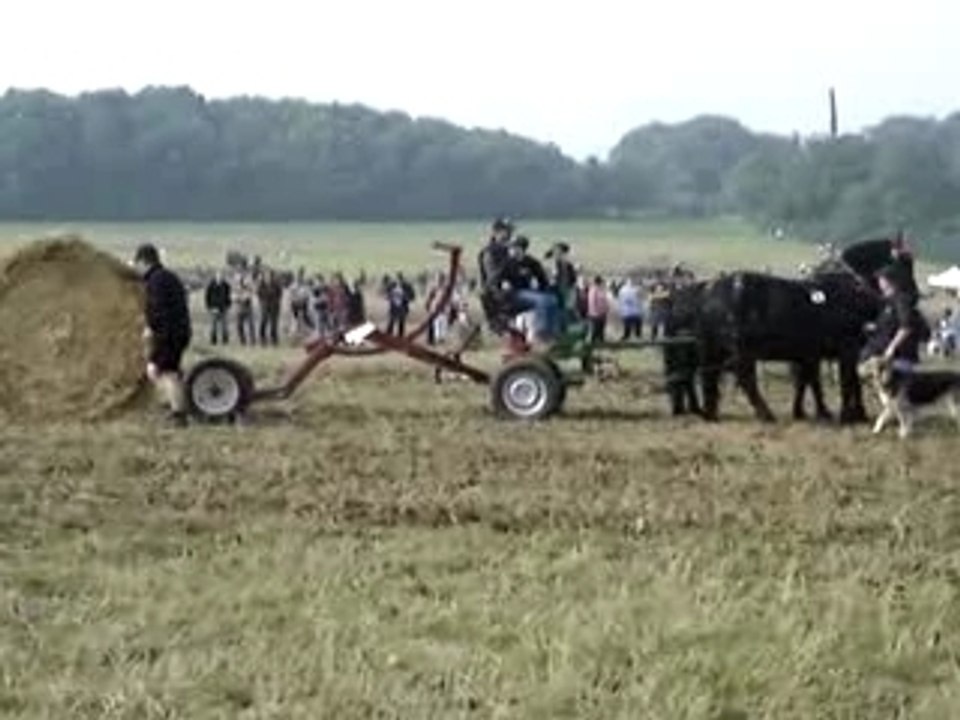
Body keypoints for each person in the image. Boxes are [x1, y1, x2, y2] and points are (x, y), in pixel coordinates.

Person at [133, 243, 192, 427]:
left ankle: (179, 415)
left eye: (137, 264)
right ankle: (177, 407)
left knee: (164, 372)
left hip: (169, 334)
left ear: (143, 261)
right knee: (169, 371)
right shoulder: (167, 277)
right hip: (177, 331)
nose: (137, 268)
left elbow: (159, 312)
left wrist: (153, 331)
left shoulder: (156, 281)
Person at [501, 235, 560, 346]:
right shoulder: (507, 263)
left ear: (522, 248)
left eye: (515, 247)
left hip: (530, 293)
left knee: (552, 299)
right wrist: (504, 284)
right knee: (543, 301)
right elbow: (498, 279)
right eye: (511, 247)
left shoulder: (531, 262)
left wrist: (544, 289)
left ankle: (552, 333)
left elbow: (542, 280)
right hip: (514, 293)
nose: (512, 250)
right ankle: (540, 333)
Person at [204, 270, 232, 345]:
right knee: (213, 326)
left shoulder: (226, 285)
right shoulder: (211, 285)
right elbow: (207, 297)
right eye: (218, 276)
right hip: (214, 308)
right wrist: (210, 307)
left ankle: (225, 340)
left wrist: (228, 305)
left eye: (221, 276)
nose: (219, 277)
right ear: (215, 276)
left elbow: (228, 296)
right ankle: (213, 340)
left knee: (224, 326)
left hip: (223, 308)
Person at [256, 269, 283, 346]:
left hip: (274, 306)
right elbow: (259, 294)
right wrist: (262, 303)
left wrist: (276, 301)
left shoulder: (276, 284)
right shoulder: (261, 284)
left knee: (274, 324)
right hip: (265, 306)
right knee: (263, 322)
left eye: (269, 276)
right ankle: (263, 339)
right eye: (266, 276)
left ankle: (274, 339)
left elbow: (280, 294)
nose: (268, 277)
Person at [586, 275, 610, 344]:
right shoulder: (593, 290)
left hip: (602, 313)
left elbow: (604, 300)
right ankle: (593, 342)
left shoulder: (601, 290)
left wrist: (606, 308)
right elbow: (592, 302)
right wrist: (595, 312)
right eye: (601, 282)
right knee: (595, 329)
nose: (602, 283)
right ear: (598, 282)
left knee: (601, 329)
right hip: (596, 314)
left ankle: (601, 341)